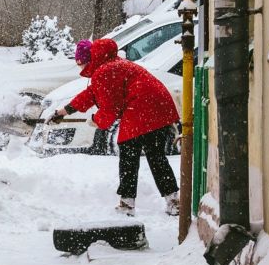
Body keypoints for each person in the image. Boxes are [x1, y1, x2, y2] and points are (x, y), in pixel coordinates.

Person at [50, 38, 181, 215]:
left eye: (79, 64)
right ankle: (173, 200)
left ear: (87, 61)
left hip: (141, 109)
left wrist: (96, 120)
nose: (80, 69)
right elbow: (92, 94)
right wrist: (63, 112)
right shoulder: (113, 64)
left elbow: (111, 107)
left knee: (128, 156)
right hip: (159, 107)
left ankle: (127, 205)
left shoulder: (104, 71)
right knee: (156, 156)